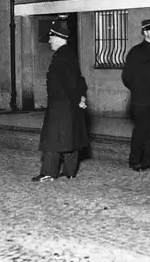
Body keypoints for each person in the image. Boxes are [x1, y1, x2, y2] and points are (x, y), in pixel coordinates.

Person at [32, 17, 89, 182]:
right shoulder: (68, 54)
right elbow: (79, 80)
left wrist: (79, 99)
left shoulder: (62, 57)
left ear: (58, 38)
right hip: (68, 105)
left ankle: (48, 172)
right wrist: (80, 98)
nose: (49, 40)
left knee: (52, 138)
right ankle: (70, 171)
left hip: (61, 105)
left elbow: (71, 82)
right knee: (69, 137)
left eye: (51, 37)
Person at [122, 16, 150, 172]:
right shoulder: (135, 52)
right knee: (141, 131)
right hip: (141, 101)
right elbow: (127, 77)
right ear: (145, 32)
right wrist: (140, 90)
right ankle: (135, 161)